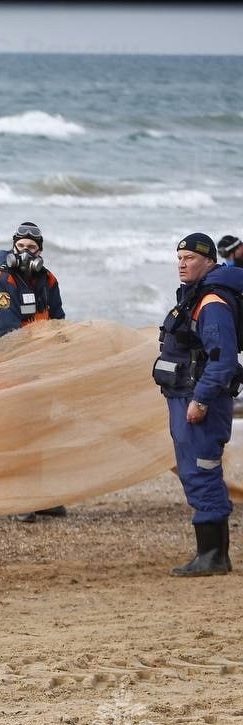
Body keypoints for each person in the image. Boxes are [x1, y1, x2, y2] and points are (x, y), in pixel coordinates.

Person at [152, 234, 243, 577]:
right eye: (179, 257)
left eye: (190, 257)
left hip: (199, 401)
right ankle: (212, 554)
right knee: (196, 471)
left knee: (202, 471)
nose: (182, 263)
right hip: (185, 397)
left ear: (208, 261)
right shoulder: (198, 296)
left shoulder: (213, 302)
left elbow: (221, 360)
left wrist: (201, 401)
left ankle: (213, 557)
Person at [0, 221, 68, 522]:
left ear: (40, 250)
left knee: (36, 431)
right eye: (22, 247)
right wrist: (31, 358)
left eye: (32, 248)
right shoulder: (1, 279)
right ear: (13, 247)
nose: (27, 252)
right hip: (6, 369)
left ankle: (38, 496)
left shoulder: (49, 280)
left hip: (38, 369)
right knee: (10, 433)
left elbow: (58, 321)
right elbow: (8, 333)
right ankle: (13, 500)